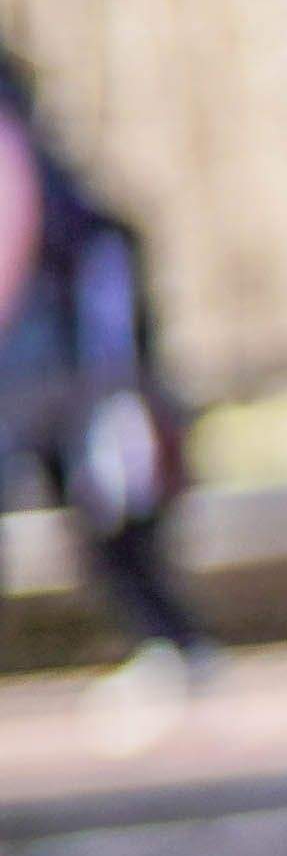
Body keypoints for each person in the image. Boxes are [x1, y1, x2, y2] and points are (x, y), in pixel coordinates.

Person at [0, 46, 206, 669]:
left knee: (111, 500)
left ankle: (173, 641)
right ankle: (173, 641)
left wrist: (116, 374)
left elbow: (18, 222)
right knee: (102, 500)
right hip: (45, 344)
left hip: (58, 346)